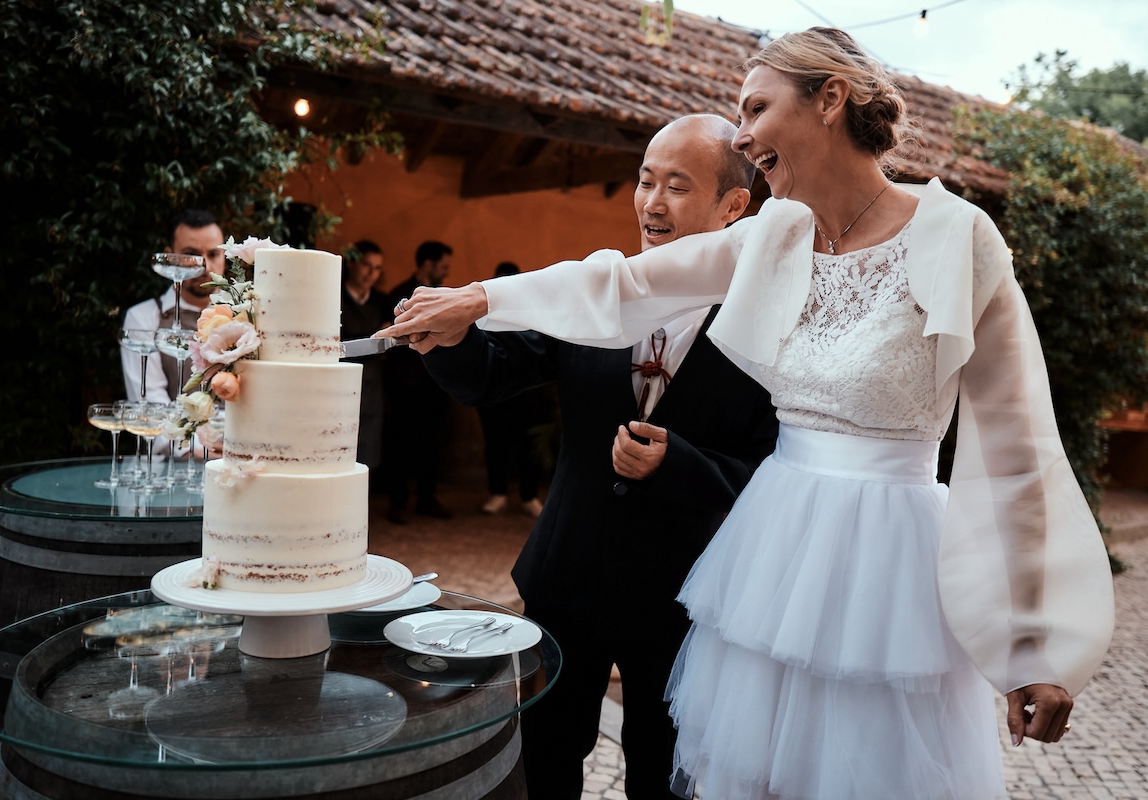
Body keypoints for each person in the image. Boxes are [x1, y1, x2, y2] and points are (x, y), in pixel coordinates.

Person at [383, 28, 1115, 800]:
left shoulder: (959, 237)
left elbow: (1017, 447)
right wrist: (484, 298)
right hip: (771, 557)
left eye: (756, 107)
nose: (741, 133)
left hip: (890, 568)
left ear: (829, 99)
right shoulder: (773, 235)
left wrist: (1033, 645)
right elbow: (624, 288)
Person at [413, 115, 779, 798]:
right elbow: (491, 372)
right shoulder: (592, 290)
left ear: (735, 206)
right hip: (566, 579)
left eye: (677, 185)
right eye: (645, 181)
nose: (652, 203)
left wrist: (681, 466)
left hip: (684, 600)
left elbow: (772, 471)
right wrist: (449, 339)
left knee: (663, 771)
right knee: (544, 760)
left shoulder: (763, 329)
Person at [121, 209, 227, 457]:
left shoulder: (247, 315)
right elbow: (150, 404)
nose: (203, 265)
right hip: (174, 465)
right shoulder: (144, 318)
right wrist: (194, 451)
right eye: (191, 255)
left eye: (213, 254)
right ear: (169, 256)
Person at [381, 240, 456, 522]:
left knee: (432, 442)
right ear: (428, 264)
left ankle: (427, 498)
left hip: (435, 383)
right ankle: (398, 502)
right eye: (444, 267)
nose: (446, 273)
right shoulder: (398, 295)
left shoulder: (445, 297)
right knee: (401, 442)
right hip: (405, 383)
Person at [475, 261, 552, 519]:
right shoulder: (482, 312)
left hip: (527, 394)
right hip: (494, 393)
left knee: (527, 445)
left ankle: (528, 496)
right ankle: (498, 494)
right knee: (494, 444)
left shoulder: (532, 310)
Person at [340, 239, 390, 472]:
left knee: (367, 455)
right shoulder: (334, 296)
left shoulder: (383, 301)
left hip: (372, 387)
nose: (371, 273)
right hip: (339, 387)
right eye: (367, 265)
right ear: (351, 263)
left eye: (378, 268)